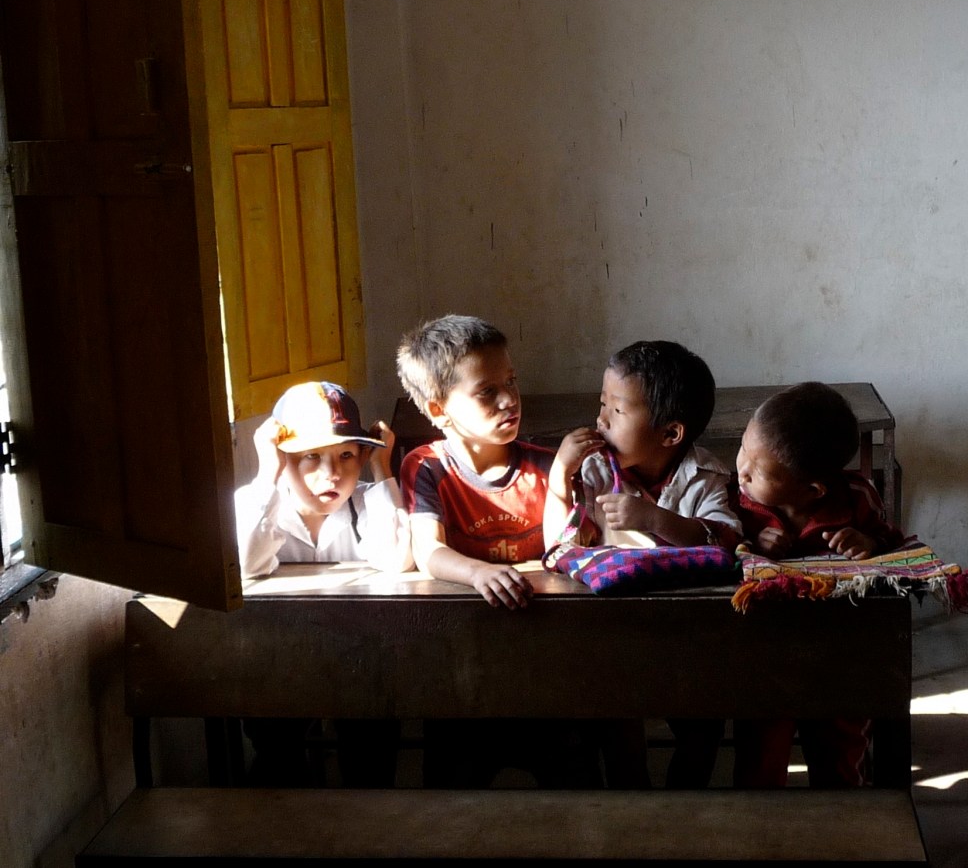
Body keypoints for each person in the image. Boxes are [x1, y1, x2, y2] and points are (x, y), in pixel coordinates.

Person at [395, 314, 600, 788]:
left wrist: (562, 480)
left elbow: (566, 551)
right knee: (455, 792)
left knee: (576, 788)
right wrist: (477, 574)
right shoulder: (427, 467)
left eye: (511, 382)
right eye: (487, 391)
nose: (510, 399)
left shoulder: (546, 468)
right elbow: (428, 550)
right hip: (464, 670)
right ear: (439, 409)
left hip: (549, 666)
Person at [544, 340, 742, 789]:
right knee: (618, 717)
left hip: (691, 635)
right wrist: (559, 475)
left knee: (702, 723)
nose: (600, 421)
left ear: (670, 434)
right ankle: (629, 795)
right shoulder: (594, 472)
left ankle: (686, 798)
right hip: (616, 633)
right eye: (602, 405)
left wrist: (655, 519)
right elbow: (559, 548)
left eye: (617, 411)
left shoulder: (705, 476)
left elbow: (726, 541)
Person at [234, 380, 412, 788]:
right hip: (280, 663)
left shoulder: (368, 501)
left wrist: (382, 469)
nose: (331, 474)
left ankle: (368, 817)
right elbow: (247, 563)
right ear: (282, 458)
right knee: (278, 753)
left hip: (357, 660)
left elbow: (398, 559)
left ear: (362, 455)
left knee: (371, 744)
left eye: (346, 455)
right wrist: (267, 474)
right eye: (311, 456)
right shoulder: (257, 502)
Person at [731, 381, 907, 789]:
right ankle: (758, 825)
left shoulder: (857, 498)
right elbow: (720, 547)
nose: (741, 470)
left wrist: (869, 543)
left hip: (841, 653)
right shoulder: (738, 501)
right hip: (765, 654)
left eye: (758, 470)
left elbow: (895, 546)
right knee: (760, 760)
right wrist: (750, 543)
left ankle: (843, 823)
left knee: (841, 757)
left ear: (813, 490)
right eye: (742, 449)